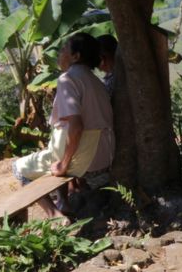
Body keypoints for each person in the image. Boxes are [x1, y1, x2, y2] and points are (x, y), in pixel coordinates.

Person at [11, 33, 114, 221]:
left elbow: (76, 127)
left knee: (18, 168)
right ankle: (63, 202)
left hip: (85, 160)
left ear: (76, 56)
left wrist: (64, 164)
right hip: (104, 154)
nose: (60, 54)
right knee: (55, 157)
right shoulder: (97, 81)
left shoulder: (68, 79)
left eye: (64, 49)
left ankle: (55, 217)